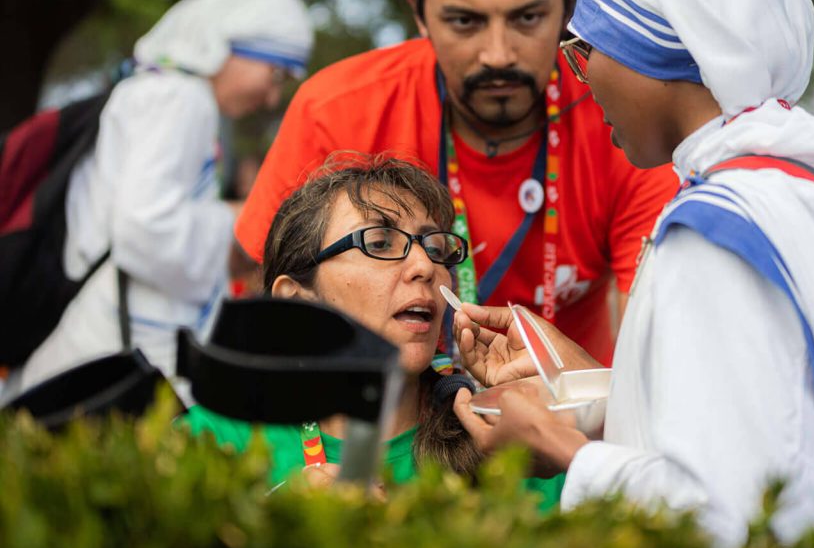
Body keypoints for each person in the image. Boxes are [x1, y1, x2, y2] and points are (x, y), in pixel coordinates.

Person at [450, 0, 814, 548]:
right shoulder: (804, 186)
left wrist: (559, 446)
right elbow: (768, 417)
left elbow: (732, 520)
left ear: (651, 45)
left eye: (586, 49)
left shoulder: (715, 233)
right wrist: (581, 383)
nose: (582, 80)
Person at [235, 0, 678, 366]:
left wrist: (584, 404)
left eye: (528, 17)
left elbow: (661, 341)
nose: (498, 54)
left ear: (570, 3)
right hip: (375, 417)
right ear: (418, 10)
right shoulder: (338, 109)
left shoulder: (622, 120)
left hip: (567, 417)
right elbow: (272, 304)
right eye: (465, 22)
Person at [184, 154, 564, 509]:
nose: (424, 266)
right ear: (297, 302)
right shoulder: (216, 439)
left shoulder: (503, 439)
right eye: (380, 243)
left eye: (435, 247)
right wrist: (283, 521)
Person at [2, 0, 314, 400]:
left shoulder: (153, 90)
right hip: (115, 344)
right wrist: (234, 222)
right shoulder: (181, 100)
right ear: (226, 46)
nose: (272, 97)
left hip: (95, 333)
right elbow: (144, 228)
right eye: (276, 72)